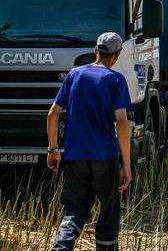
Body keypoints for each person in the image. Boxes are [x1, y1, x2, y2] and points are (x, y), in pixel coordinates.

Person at [47, 32, 133, 251]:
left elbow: (53, 114)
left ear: (95, 50)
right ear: (116, 56)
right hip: (104, 157)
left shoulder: (74, 74)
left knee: (74, 211)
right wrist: (127, 164)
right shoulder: (115, 79)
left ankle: (60, 248)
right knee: (109, 211)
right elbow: (122, 124)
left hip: (75, 157)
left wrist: (53, 150)